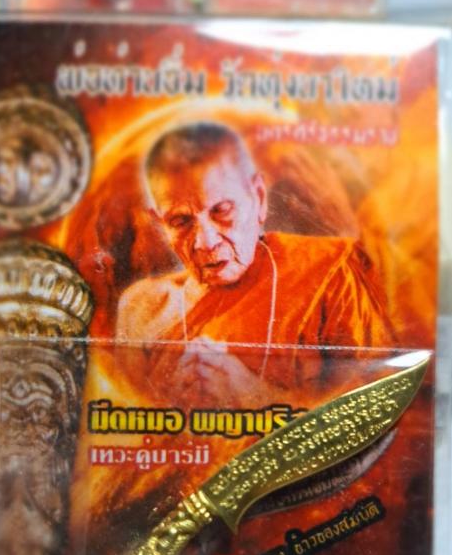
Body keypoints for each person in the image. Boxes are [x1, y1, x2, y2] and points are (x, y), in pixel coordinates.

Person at [115, 123, 395, 407]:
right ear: (160, 223)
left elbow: (371, 410)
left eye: (222, 210)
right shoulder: (142, 309)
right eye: (180, 221)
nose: (205, 242)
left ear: (258, 198)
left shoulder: (329, 274)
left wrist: (258, 397)